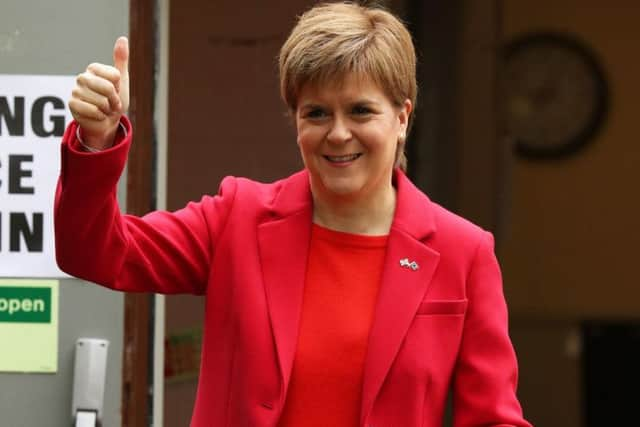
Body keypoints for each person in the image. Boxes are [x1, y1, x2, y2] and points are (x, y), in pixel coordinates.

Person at [56, 2, 532, 426]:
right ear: (296, 120)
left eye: (361, 111)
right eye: (317, 113)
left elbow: (494, 418)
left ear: (402, 117)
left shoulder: (461, 252)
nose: (339, 134)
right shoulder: (237, 219)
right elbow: (95, 251)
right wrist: (96, 140)